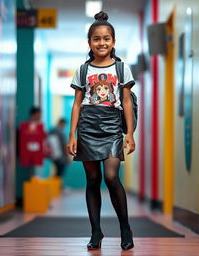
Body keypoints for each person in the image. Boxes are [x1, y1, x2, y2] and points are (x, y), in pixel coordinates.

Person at [67, 11, 135, 251]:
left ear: (113, 42)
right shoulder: (83, 70)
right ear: (89, 43)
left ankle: (125, 227)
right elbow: (77, 103)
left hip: (112, 127)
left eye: (106, 38)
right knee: (93, 180)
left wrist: (130, 133)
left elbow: (126, 101)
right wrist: (72, 134)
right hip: (87, 127)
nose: (102, 43)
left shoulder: (122, 68)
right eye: (96, 39)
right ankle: (96, 231)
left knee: (111, 177)